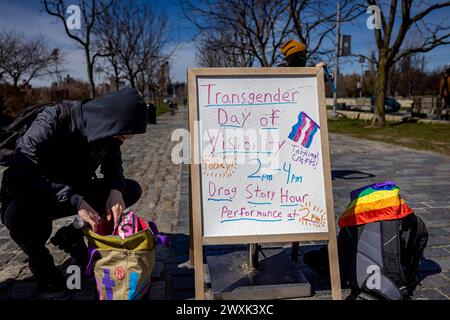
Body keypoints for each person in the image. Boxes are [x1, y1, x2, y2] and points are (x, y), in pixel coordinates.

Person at [0, 88, 148, 292]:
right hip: (36, 194)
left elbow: (114, 168)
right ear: (111, 119)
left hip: (75, 192)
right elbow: (22, 173)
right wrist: (75, 201)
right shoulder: (53, 119)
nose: (123, 140)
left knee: (130, 190)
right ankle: (40, 261)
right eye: (123, 135)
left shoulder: (109, 134)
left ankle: (72, 233)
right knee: (17, 216)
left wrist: (115, 189)